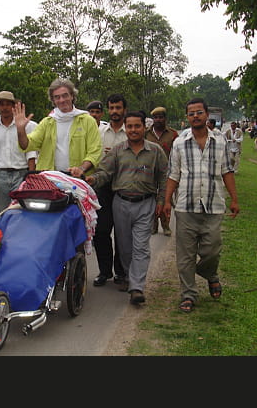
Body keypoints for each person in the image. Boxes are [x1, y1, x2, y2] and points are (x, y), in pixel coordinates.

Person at [163, 98, 239, 313]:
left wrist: (234, 199)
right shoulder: (180, 142)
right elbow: (173, 174)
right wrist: (167, 201)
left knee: (212, 249)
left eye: (199, 112)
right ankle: (188, 294)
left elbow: (226, 171)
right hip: (186, 206)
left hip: (213, 205)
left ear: (207, 115)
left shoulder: (220, 141)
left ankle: (210, 274)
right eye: (191, 113)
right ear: (187, 117)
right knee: (185, 255)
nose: (195, 116)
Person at [86, 111, 169, 305]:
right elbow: (104, 172)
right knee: (124, 247)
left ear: (144, 127)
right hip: (121, 204)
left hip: (145, 204)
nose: (133, 130)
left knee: (141, 246)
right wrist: (92, 179)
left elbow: (164, 177)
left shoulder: (155, 151)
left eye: (137, 126)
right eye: (129, 126)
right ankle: (130, 277)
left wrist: (162, 201)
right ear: (126, 128)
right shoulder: (117, 150)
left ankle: (137, 287)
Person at [13, 78, 102, 178]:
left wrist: (81, 169)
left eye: (65, 95)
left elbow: (95, 152)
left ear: (72, 96)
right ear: (53, 100)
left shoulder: (88, 121)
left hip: (78, 180)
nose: (62, 100)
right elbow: (27, 145)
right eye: (57, 97)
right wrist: (20, 130)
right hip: (49, 180)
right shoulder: (47, 123)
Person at [0, 90, 38, 217]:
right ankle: (2, 237)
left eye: (8, 104)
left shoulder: (26, 126)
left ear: (13, 106)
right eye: (1, 104)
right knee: (2, 214)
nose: (5, 108)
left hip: (21, 173)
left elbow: (31, 154)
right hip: (1, 175)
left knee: (22, 212)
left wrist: (31, 177)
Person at [92, 94, 128, 288]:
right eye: (112, 108)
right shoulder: (100, 132)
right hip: (103, 187)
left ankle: (121, 273)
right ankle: (104, 271)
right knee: (101, 231)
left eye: (118, 108)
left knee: (122, 233)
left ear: (124, 110)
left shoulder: (130, 131)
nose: (115, 111)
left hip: (124, 186)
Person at [145, 106, 178, 236]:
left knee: (164, 199)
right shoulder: (146, 134)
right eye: (156, 117)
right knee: (151, 200)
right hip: (149, 172)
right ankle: (153, 226)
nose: (158, 120)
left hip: (167, 173)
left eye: (161, 117)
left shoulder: (173, 134)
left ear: (165, 118)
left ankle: (165, 225)